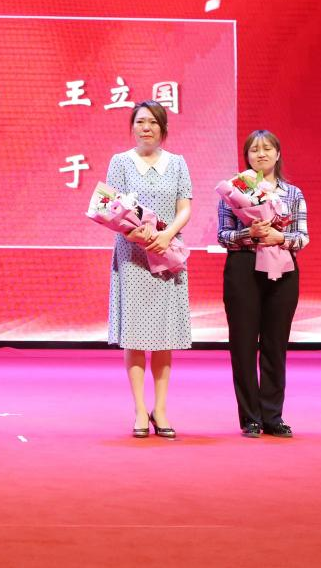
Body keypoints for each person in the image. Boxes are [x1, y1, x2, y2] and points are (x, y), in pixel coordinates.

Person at [106, 101, 193, 439]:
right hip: (133, 256)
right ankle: (140, 410)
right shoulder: (120, 162)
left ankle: (161, 408)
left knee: (163, 335)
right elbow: (111, 209)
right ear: (132, 127)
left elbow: (184, 207)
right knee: (135, 335)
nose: (146, 128)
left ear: (163, 128)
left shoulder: (178, 163)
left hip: (167, 254)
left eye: (153, 122)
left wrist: (166, 235)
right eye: (140, 122)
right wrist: (137, 235)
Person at [217, 130, 309, 438]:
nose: (261, 154)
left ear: (278, 154)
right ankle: (250, 417)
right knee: (243, 345)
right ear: (247, 156)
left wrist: (279, 237)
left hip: (282, 268)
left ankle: (272, 415)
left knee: (275, 344)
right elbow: (223, 235)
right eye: (254, 150)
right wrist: (250, 234)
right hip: (243, 268)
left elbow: (302, 237)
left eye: (267, 148)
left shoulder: (292, 193)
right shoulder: (234, 190)